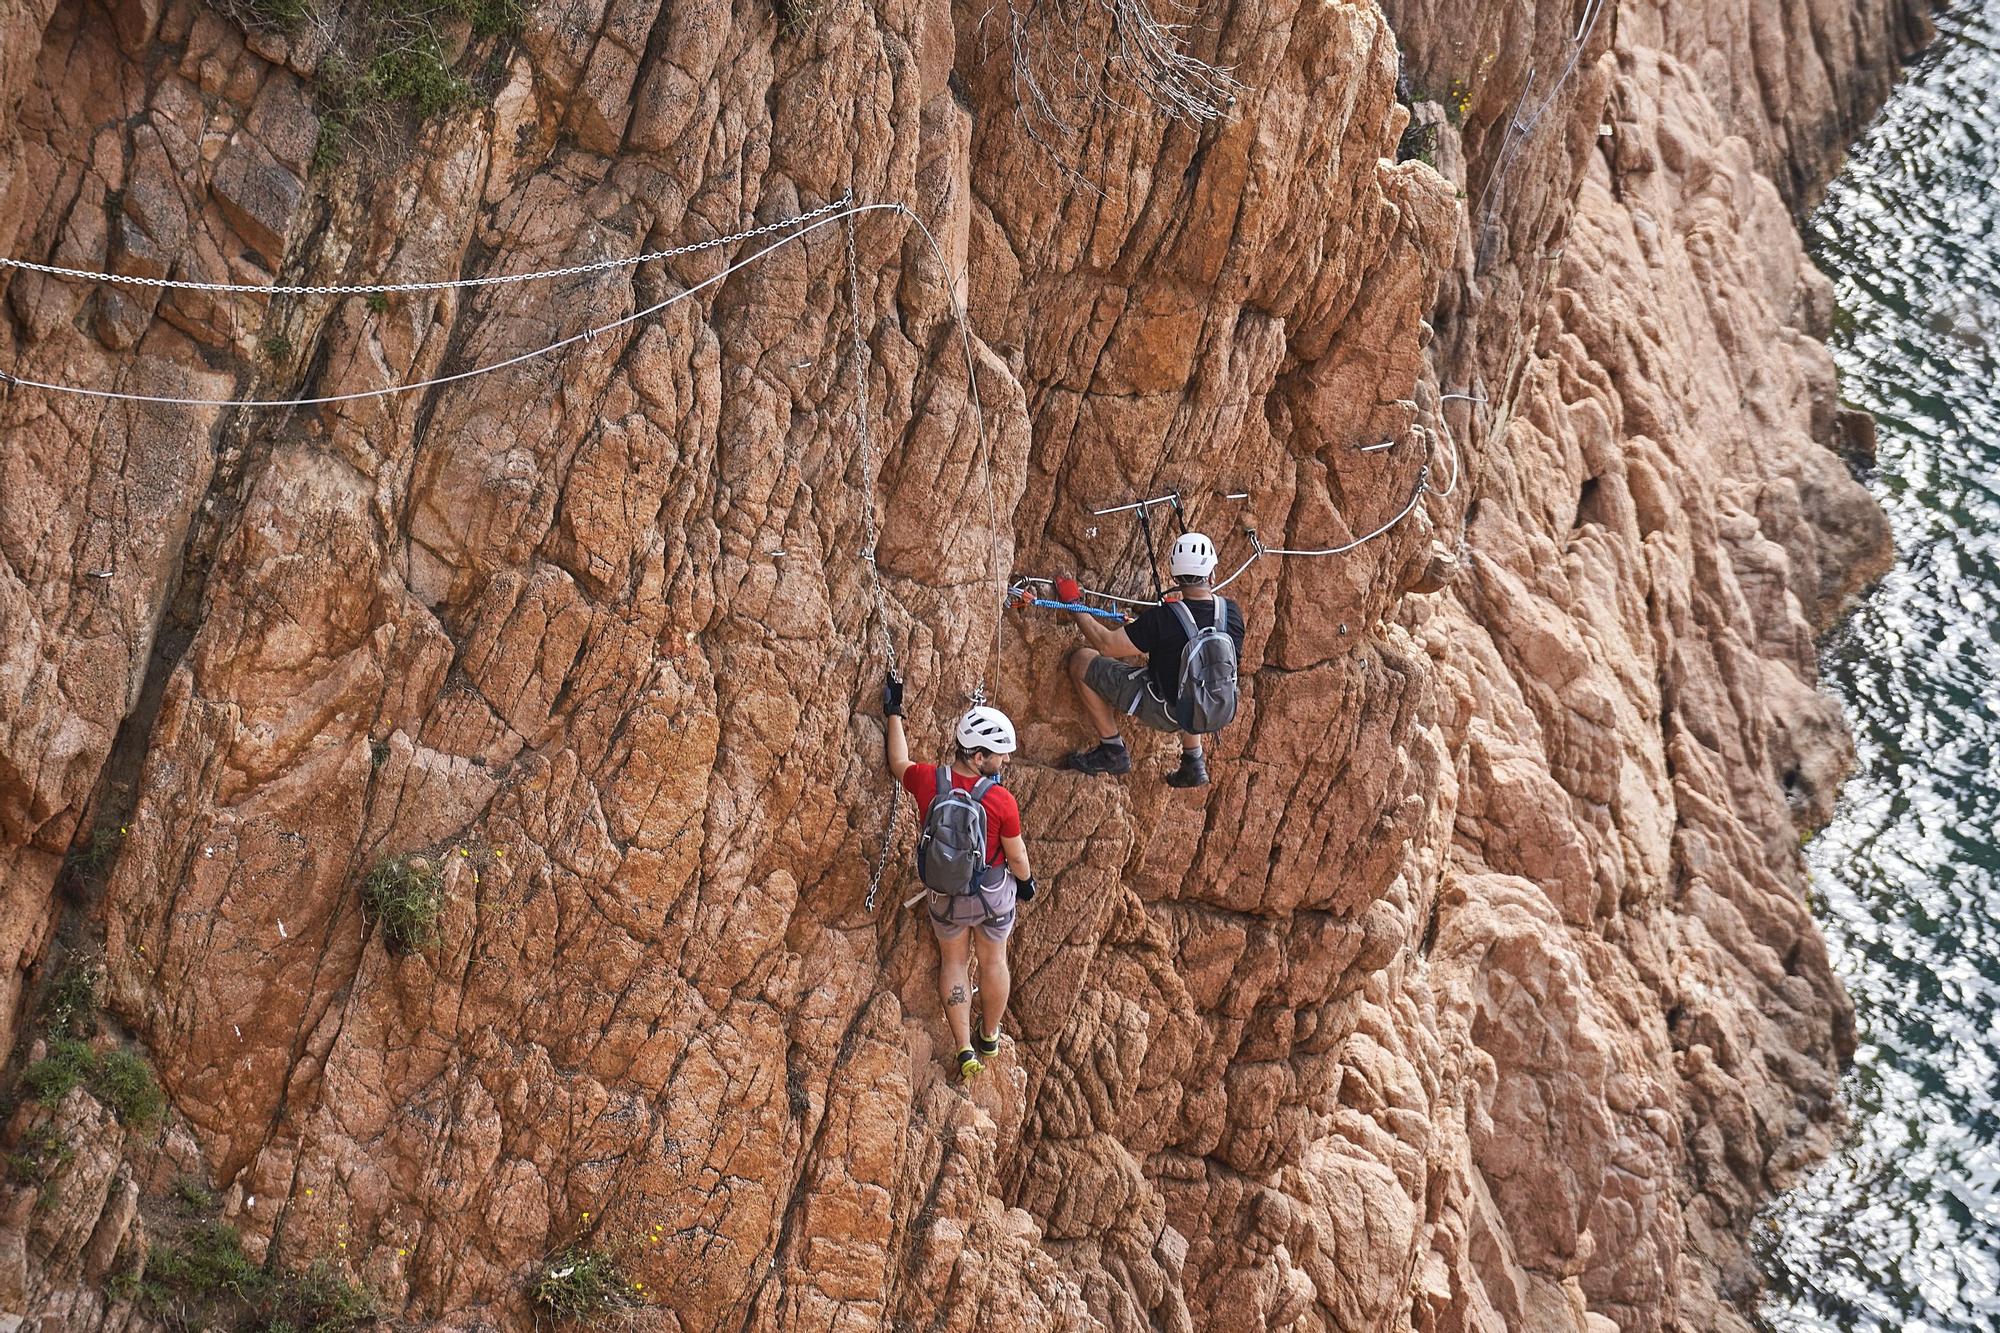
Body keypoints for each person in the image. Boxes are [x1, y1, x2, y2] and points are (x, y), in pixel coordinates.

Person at [882, 678, 1037, 1081]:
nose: (1003, 762)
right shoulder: (1001, 799)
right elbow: (1016, 855)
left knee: (954, 963)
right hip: (990, 898)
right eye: (999, 755)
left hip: (945, 897)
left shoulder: (930, 781)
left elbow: (898, 763)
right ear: (979, 754)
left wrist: (893, 712)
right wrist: (1026, 883)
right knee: (992, 960)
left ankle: (964, 1048)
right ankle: (989, 1035)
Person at [1059, 531, 1245, 788]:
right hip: (1217, 706)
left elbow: (1107, 645)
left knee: (1082, 660)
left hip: (1167, 711)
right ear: (1212, 574)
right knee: (1198, 676)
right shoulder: (1231, 612)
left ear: (1175, 577)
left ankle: (1112, 749)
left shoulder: (1164, 618)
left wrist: (1074, 605)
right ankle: (1194, 761)